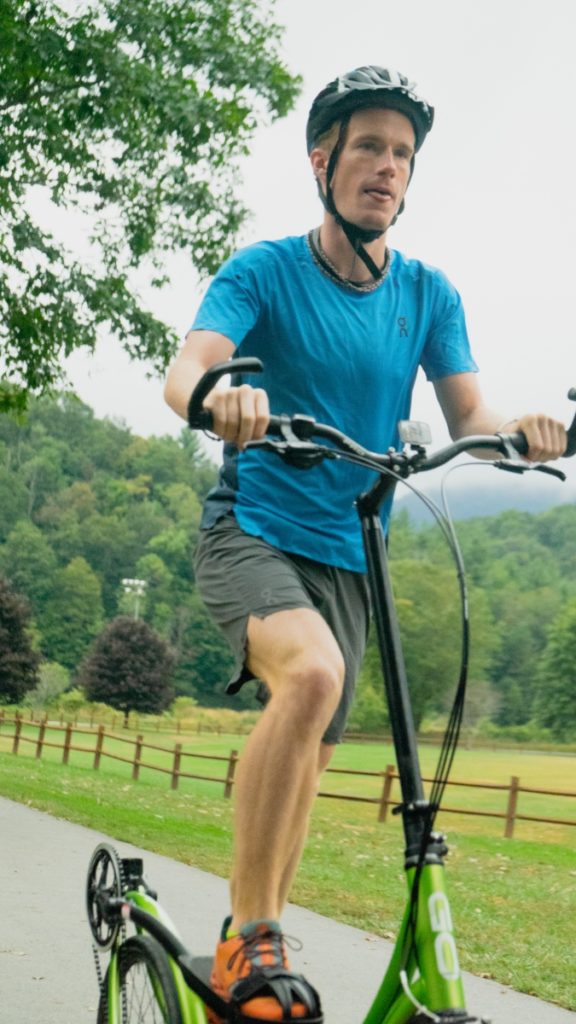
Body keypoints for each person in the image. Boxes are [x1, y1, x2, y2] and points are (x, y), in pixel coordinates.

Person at [164, 66, 566, 1023]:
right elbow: (187, 369)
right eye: (370, 148)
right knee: (308, 679)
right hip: (255, 530)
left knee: (310, 743)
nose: (387, 168)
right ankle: (249, 935)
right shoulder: (264, 271)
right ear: (323, 161)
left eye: (403, 155)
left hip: (356, 553)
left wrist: (530, 433)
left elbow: (472, 412)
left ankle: (255, 945)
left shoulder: (426, 293)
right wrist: (223, 401)